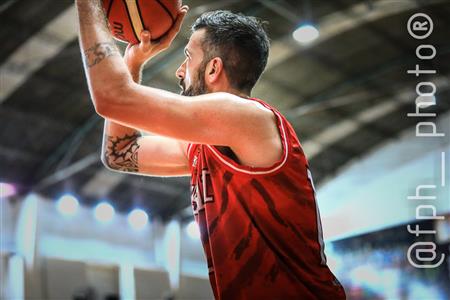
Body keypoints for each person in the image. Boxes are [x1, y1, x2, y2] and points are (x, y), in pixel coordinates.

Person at [76, 1, 346, 299]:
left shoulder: (243, 115)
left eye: (188, 57)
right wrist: (133, 63)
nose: (180, 71)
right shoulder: (208, 142)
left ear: (214, 68)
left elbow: (111, 97)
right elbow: (119, 154)